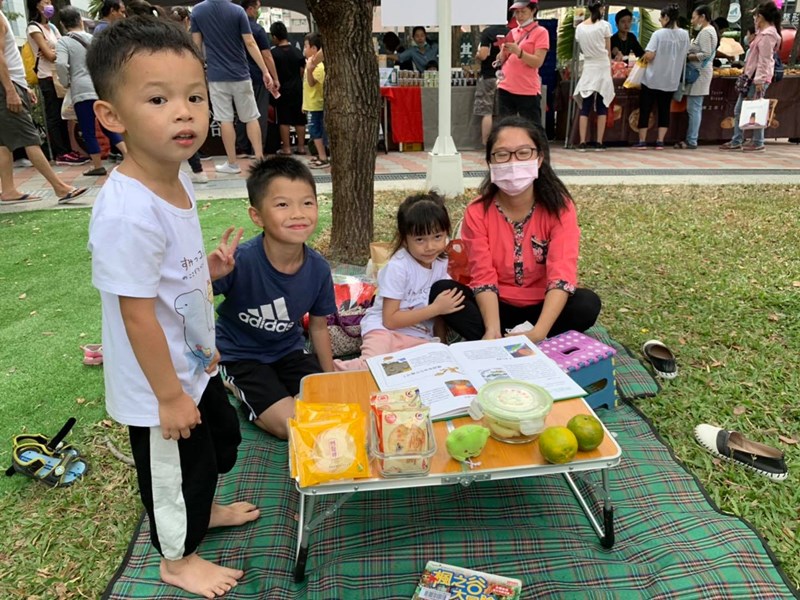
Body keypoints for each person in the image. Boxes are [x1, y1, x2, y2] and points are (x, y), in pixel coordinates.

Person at [86, 16, 258, 597]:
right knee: (176, 473)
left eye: (194, 96)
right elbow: (136, 313)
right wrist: (167, 397)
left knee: (219, 447)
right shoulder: (126, 213)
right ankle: (176, 558)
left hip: (194, 365)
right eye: (158, 99)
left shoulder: (176, 178)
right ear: (112, 117)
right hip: (157, 385)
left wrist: (205, 272)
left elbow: (162, 283)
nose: (185, 112)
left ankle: (200, 511)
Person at [431, 116, 601, 343]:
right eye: (502, 154)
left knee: (586, 304)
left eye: (523, 153)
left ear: (539, 158)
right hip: (495, 307)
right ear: (490, 162)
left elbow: (561, 273)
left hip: (542, 308)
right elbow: (483, 276)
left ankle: (529, 339)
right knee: (442, 291)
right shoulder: (478, 211)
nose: (512, 162)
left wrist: (538, 332)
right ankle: (496, 338)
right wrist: (492, 328)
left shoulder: (560, 208)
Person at [214, 156, 335, 439]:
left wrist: (331, 379)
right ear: (257, 216)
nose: (298, 214)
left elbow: (318, 327)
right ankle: (232, 384)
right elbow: (191, 301)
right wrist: (210, 276)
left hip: (288, 351)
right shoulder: (239, 261)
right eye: (282, 204)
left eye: (307, 203)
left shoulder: (318, 269)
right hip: (240, 356)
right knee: (289, 426)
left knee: (325, 409)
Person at [335, 193, 464, 371]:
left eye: (437, 236)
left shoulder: (441, 262)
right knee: (371, 367)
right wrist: (435, 308)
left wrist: (442, 344)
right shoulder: (399, 268)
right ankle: (332, 373)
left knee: (435, 366)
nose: (430, 246)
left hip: (418, 335)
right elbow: (390, 320)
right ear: (405, 239)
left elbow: (439, 316)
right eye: (420, 239)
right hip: (384, 330)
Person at [0, 0, 88, 205]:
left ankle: (8, 190)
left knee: (4, 144)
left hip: (12, 84)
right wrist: (12, 91)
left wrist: (21, 87)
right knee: (29, 137)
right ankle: (60, 188)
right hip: (8, 86)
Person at [191, 0, 274, 174]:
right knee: (251, 116)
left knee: (225, 119)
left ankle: (232, 163)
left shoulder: (198, 11)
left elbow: (196, 46)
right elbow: (250, 42)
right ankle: (259, 160)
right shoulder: (238, 11)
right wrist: (265, 71)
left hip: (216, 76)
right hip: (241, 74)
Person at [55, 6, 127, 176]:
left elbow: (60, 64)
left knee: (88, 129)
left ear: (63, 24)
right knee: (108, 125)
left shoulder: (64, 42)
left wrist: (66, 82)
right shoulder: (93, 39)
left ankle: (97, 166)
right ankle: (128, 155)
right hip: (98, 86)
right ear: (80, 20)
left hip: (81, 90)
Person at [26, 0, 84, 165]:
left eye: (50, 1)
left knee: (63, 114)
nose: (49, 4)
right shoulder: (33, 27)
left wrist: (55, 52)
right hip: (46, 76)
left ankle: (69, 150)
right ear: (37, 5)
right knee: (53, 115)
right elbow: (50, 54)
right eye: (45, 1)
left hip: (57, 75)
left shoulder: (52, 27)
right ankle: (61, 153)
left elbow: (62, 48)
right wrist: (54, 52)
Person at [719, 1, 782, 153]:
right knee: (743, 109)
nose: (754, 19)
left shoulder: (768, 35)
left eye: (755, 16)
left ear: (760, 16)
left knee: (754, 109)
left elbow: (764, 59)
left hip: (757, 78)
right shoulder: (763, 33)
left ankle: (755, 141)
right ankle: (739, 139)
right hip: (752, 76)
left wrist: (760, 80)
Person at [633, 4, 689, 150]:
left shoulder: (658, 34)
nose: (659, 20)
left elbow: (650, 55)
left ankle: (642, 141)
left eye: (661, 17)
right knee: (664, 110)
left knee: (645, 109)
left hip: (652, 78)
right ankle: (660, 141)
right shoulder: (684, 34)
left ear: (667, 18)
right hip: (671, 79)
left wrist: (645, 55)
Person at [495, 1, 550, 131]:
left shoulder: (541, 32)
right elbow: (500, 59)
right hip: (505, 86)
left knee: (533, 130)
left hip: (527, 89)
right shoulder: (512, 32)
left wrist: (519, 52)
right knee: (505, 128)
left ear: (533, 11)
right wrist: (503, 52)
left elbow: (537, 62)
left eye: (523, 12)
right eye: (517, 12)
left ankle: (540, 151)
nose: (519, 16)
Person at [169, 6, 208, 184]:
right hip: (189, 92)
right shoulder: (191, 41)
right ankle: (198, 169)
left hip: (170, 93)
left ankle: (193, 169)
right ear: (187, 21)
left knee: (174, 132)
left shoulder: (165, 41)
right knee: (187, 129)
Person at [235, 0, 278, 160]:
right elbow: (266, 55)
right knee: (258, 113)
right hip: (258, 77)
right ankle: (257, 149)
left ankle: (243, 147)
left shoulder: (233, 28)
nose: (258, 11)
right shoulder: (257, 29)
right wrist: (274, 77)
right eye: (258, 8)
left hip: (238, 76)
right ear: (251, 9)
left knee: (241, 113)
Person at [573, 0, 614, 152]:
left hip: (589, 66)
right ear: (602, 9)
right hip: (602, 64)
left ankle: (582, 141)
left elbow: (580, 46)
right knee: (602, 104)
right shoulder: (604, 26)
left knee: (586, 105)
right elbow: (608, 50)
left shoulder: (580, 27)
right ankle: (598, 141)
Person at [675, 5, 717, 150]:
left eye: (694, 17)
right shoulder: (709, 31)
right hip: (702, 73)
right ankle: (691, 138)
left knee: (694, 108)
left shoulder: (706, 32)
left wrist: (688, 57)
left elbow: (705, 53)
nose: (692, 21)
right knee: (694, 108)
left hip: (700, 73)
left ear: (702, 17)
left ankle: (692, 140)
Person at [270, 21, 307, 156]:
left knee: (284, 120)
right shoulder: (297, 52)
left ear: (274, 37)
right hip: (297, 89)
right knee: (300, 119)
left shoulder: (273, 54)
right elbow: (302, 71)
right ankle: (301, 147)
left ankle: (286, 148)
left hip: (282, 91)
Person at [474, 22, 509, 145]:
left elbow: (483, 55)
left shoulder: (487, 32)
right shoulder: (511, 32)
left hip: (488, 76)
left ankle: (486, 142)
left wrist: (477, 55)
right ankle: (502, 141)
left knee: (487, 112)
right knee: (502, 111)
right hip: (506, 77)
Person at [302, 32, 328, 169]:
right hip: (310, 104)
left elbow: (311, 84)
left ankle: (323, 158)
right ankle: (320, 155)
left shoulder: (318, 66)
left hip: (316, 105)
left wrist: (310, 71)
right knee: (314, 132)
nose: (304, 49)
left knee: (316, 132)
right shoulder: (311, 64)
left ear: (314, 49)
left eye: (306, 46)